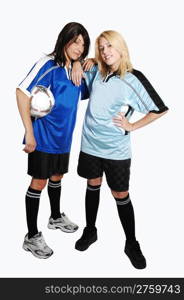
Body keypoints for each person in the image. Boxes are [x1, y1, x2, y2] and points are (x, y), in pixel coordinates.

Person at [74, 30, 168, 269]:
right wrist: (80, 63)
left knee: (120, 195)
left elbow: (159, 109)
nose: (105, 52)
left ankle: (131, 243)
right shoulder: (97, 71)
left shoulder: (133, 78)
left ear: (121, 48)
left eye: (109, 46)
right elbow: (78, 65)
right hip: (90, 144)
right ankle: (90, 231)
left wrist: (132, 125)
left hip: (116, 150)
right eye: (101, 48)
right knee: (92, 185)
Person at [16, 22, 90, 259]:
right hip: (43, 137)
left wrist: (84, 62)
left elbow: (102, 68)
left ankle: (55, 217)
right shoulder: (48, 64)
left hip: (64, 139)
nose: (79, 47)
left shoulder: (78, 70)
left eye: (83, 44)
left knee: (57, 177)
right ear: (64, 39)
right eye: (75, 41)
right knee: (39, 182)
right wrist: (29, 131)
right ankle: (31, 236)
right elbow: (21, 92)